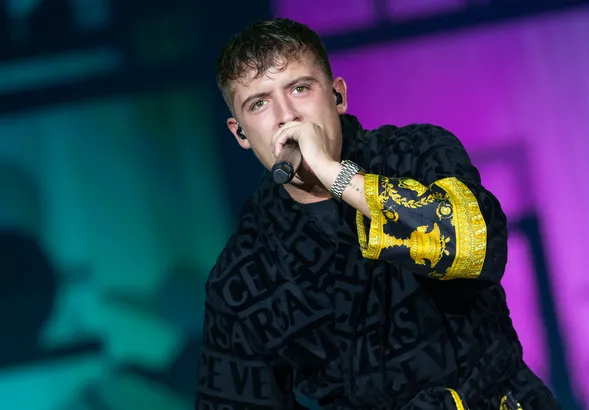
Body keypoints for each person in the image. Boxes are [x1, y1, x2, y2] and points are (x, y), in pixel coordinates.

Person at [196, 17, 561, 410]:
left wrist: (336, 175)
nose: (287, 116)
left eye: (299, 88)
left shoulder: (415, 152)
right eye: (259, 103)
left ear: (337, 96)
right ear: (240, 132)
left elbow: (475, 247)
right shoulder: (243, 269)